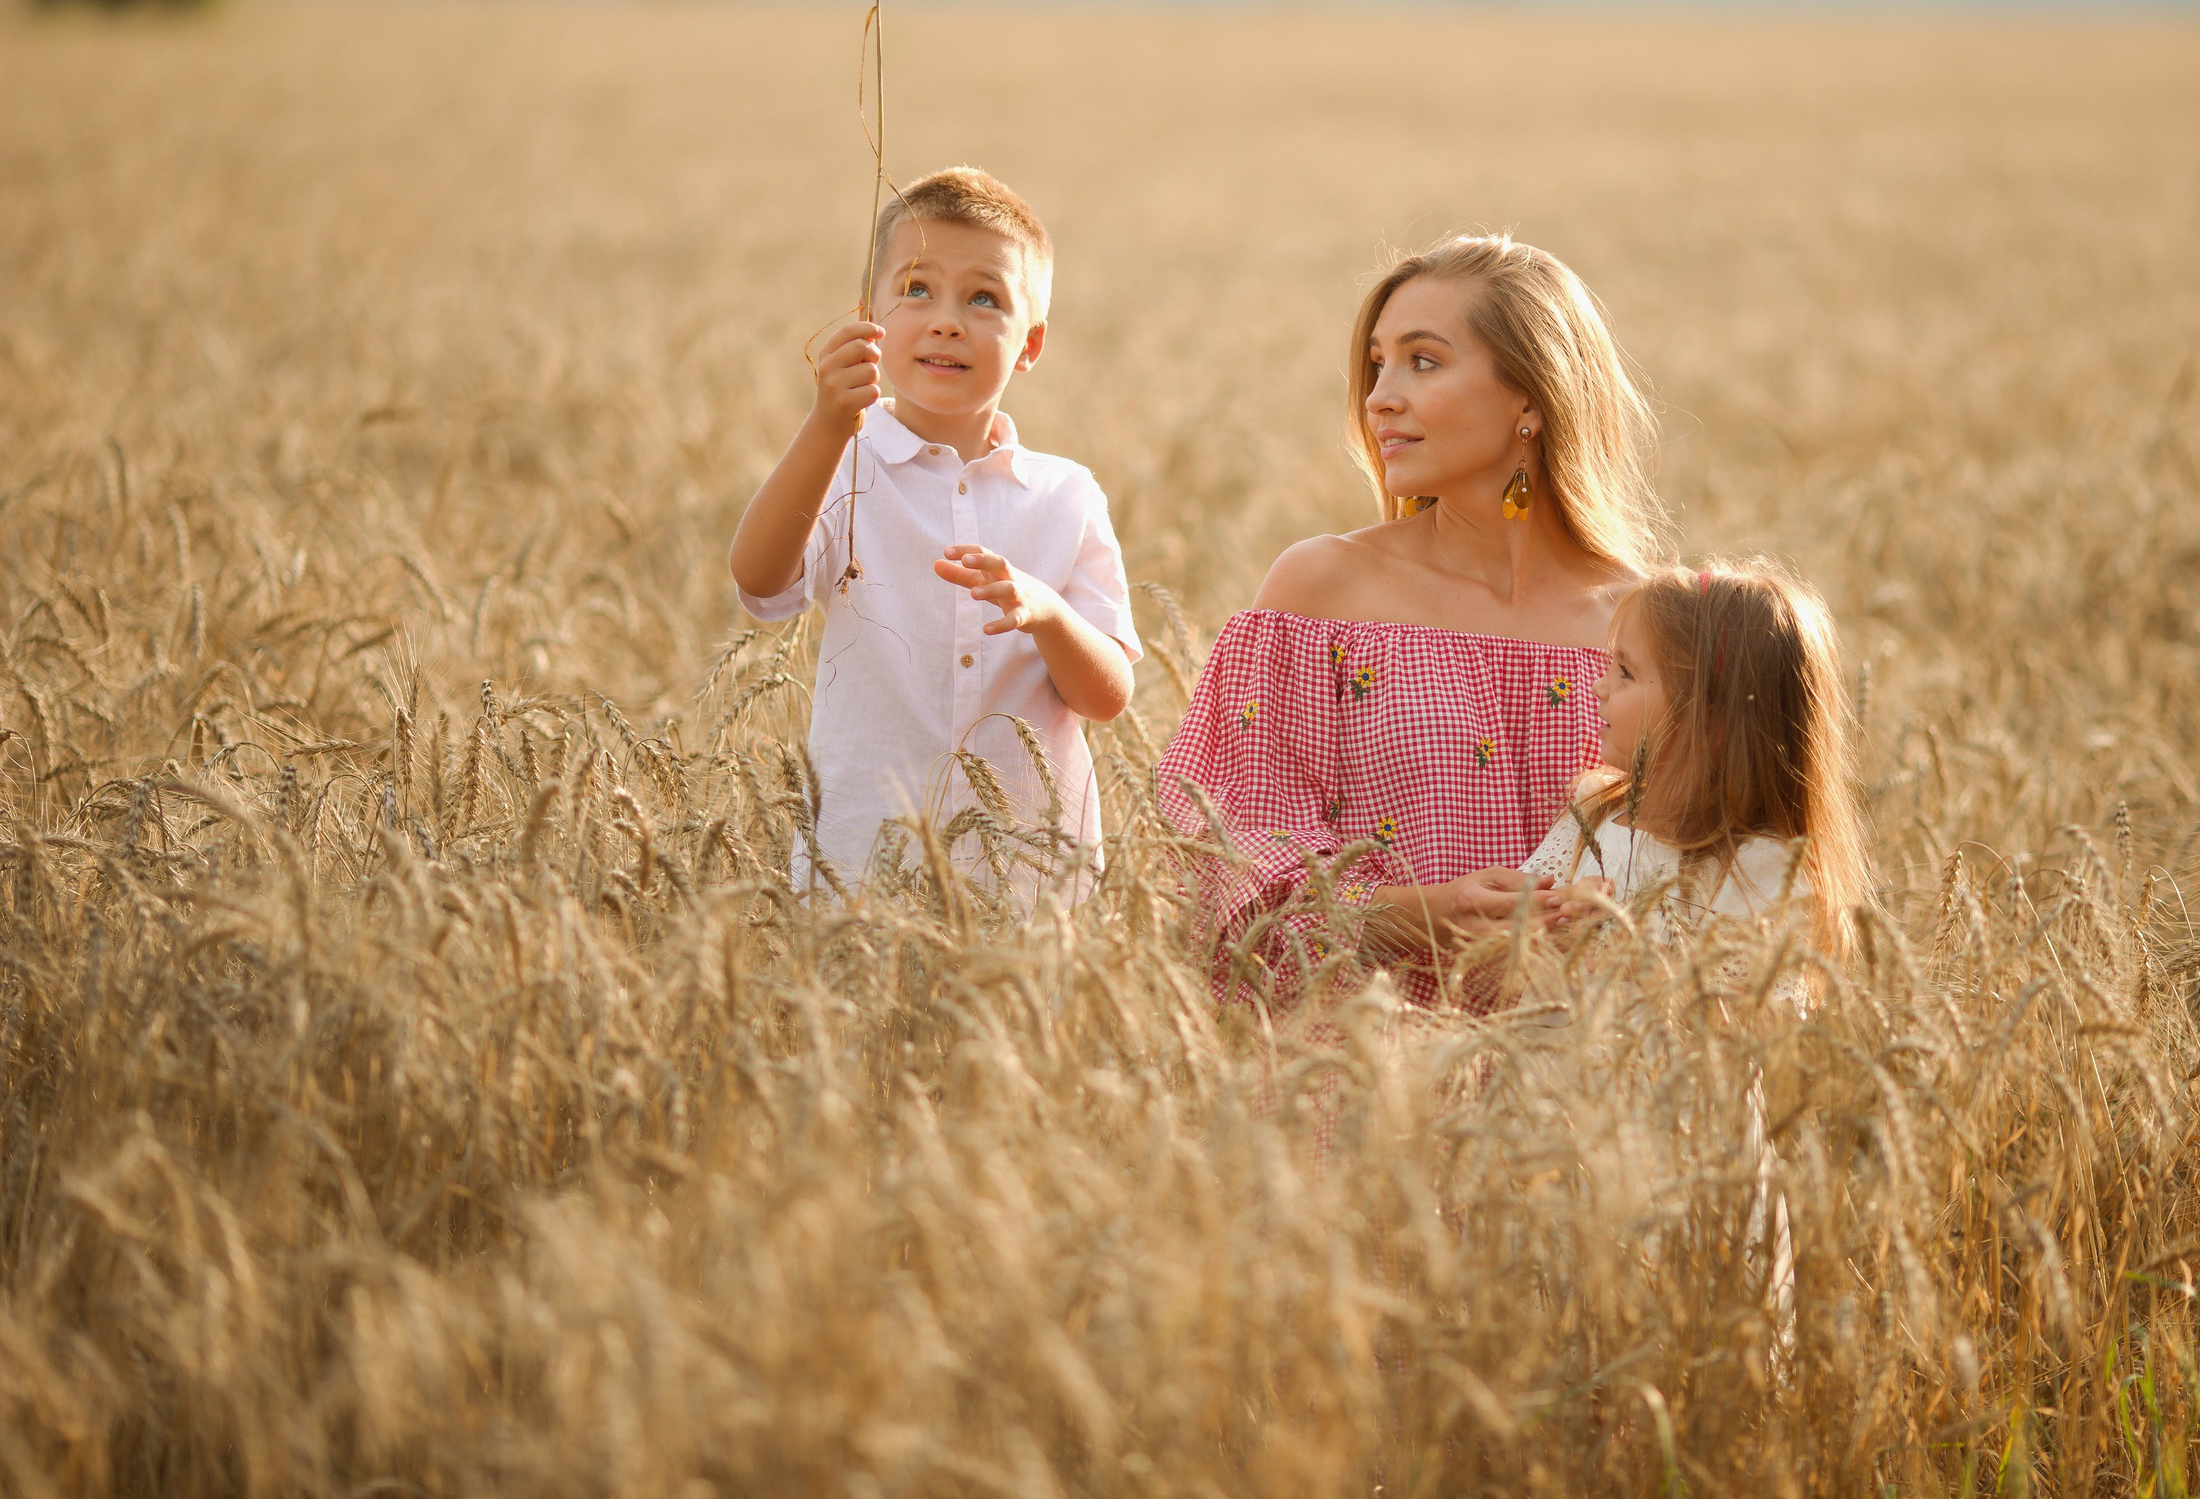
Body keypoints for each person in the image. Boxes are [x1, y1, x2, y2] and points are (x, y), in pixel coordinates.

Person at [1157, 234, 1668, 1016]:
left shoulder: (1648, 624)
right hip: (1368, 1091)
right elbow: (1229, 858)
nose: (1379, 397)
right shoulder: (1322, 593)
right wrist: (1416, 916)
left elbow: (1732, 879)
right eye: (1376, 365)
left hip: (1588, 1102)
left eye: (1422, 362)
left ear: (1529, 396)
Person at [730, 167, 1140, 891]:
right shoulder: (843, 465)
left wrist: (1046, 612)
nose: (947, 319)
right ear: (869, 317)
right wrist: (826, 424)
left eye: (985, 299)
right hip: (862, 861)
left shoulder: (1065, 495)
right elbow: (758, 578)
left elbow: (1107, 696)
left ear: (1031, 344)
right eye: (917, 289)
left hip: (1025, 871)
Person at [1523, 558, 1867, 989]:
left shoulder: (1764, 872)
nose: (1599, 685)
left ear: (1707, 725)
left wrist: (1636, 960)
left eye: (1626, 672)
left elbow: (1758, 1028)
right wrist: (1554, 924)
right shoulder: (1592, 811)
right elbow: (1506, 955)